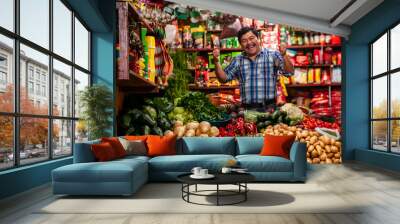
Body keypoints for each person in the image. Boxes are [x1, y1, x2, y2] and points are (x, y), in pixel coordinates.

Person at [213, 27, 294, 111]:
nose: (249, 43)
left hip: (270, 109)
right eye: (244, 41)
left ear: (258, 38)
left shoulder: (272, 55)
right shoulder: (238, 60)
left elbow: (289, 72)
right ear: (241, 44)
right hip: (247, 110)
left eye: (251, 38)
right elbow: (223, 78)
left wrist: (284, 55)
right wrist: (216, 61)